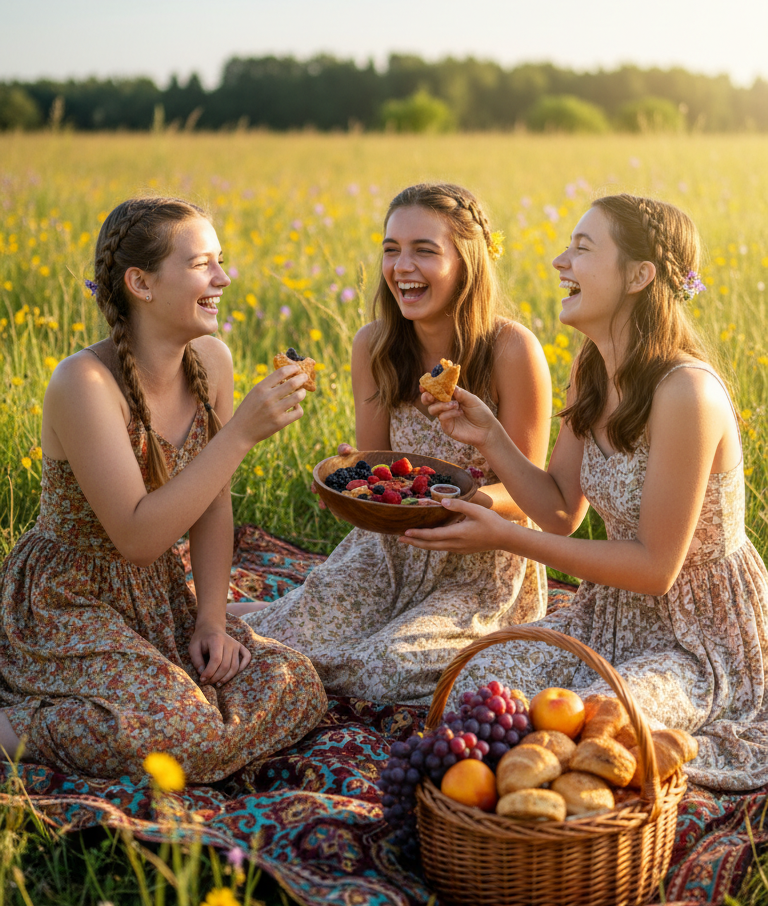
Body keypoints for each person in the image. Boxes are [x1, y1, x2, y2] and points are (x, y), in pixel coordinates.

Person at [402, 193, 768, 791]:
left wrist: (504, 535)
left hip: (702, 637)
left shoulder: (686, 394)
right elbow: (558, 510)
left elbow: (655, 568)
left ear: (639, 275)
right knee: (479, 685)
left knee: (584, 733)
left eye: (582, 248)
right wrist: (491, 439)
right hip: (610, 617)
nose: (558, 262)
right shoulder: (592, 369)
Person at [0, 197, 327, 781]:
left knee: (297, 681)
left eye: (220, 262)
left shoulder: (212, 360)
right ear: (141, 283)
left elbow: (212, 504)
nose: (223, 279)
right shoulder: (83, 383)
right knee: (188, 734)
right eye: (203, 264)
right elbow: (138, 537)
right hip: (69, 598)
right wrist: (242, 434)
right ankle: (18, 723)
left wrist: (210, 620)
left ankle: (127, 706)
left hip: (158, 594)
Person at [237, 182, 552, 704]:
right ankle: (264, 615)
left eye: (424, 250)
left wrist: (464, 501)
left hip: (477, 559)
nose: (401, 266)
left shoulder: (512, 349)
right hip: (391, 550)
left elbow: (530, 496)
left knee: (384, 669)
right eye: (391, 249)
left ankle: (309, 620)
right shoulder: (374, 345)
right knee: (266, 641)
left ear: (467, 262)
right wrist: (352, 481)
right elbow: (378, 468)